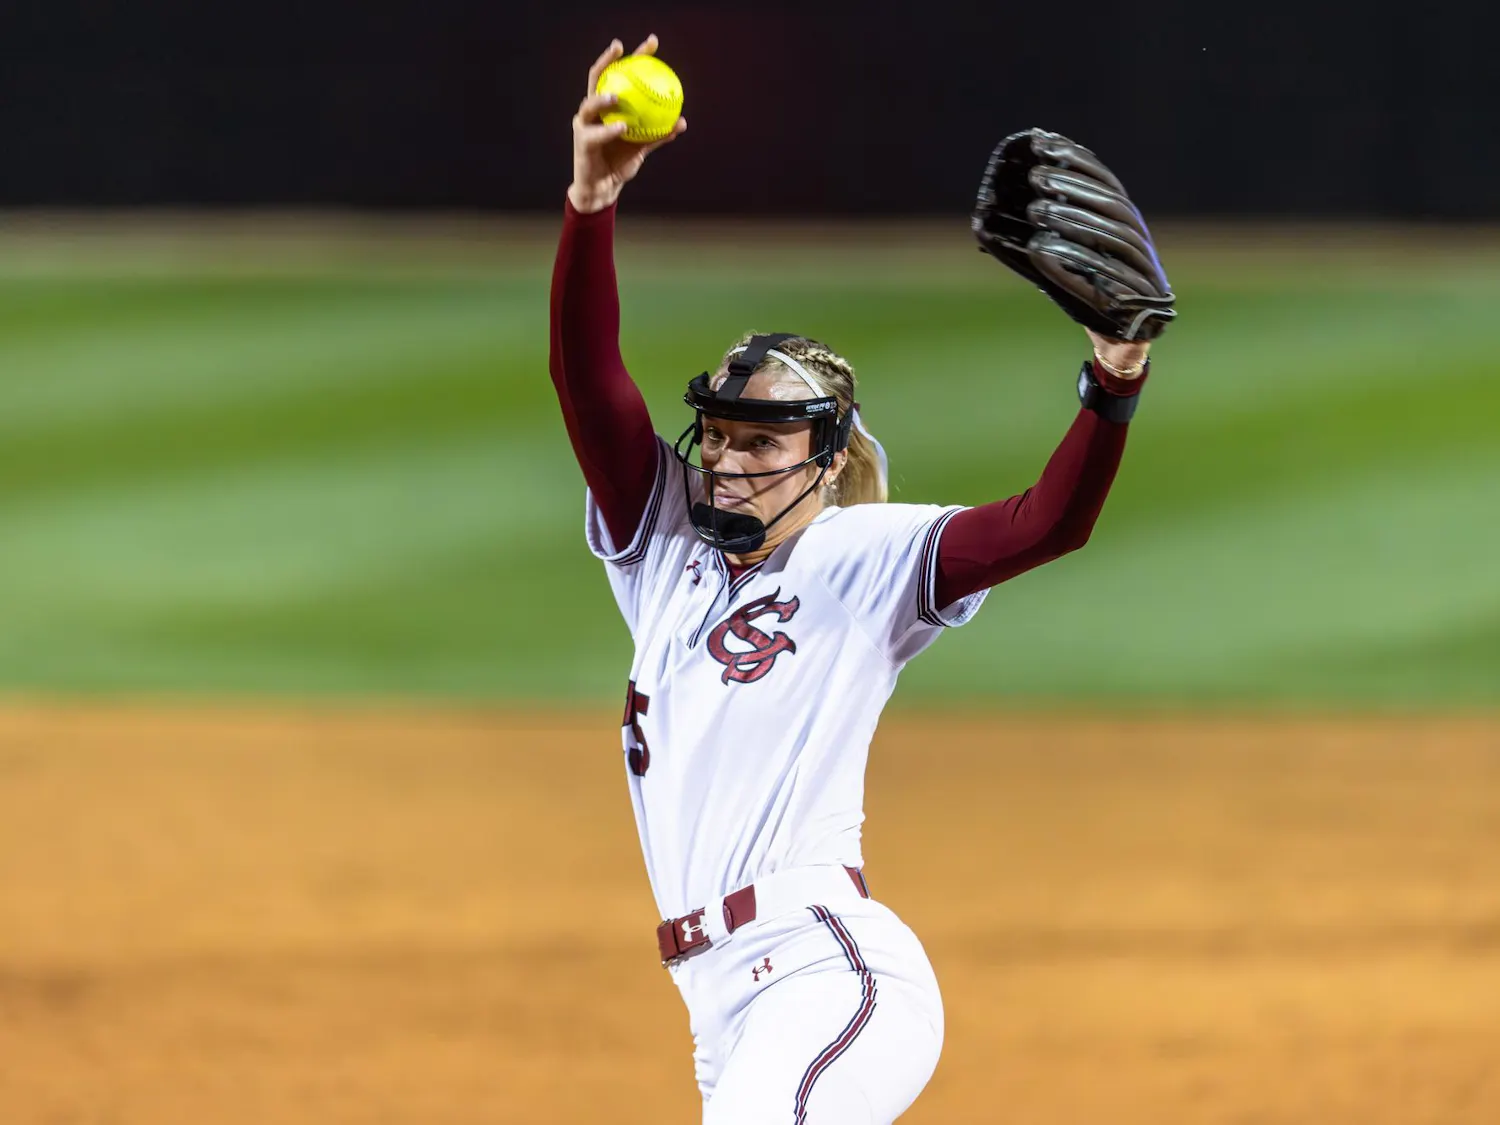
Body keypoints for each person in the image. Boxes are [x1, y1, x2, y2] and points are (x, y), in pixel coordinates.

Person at [549, 35, 1169, 1125]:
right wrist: (590, 201)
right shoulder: (663, 562)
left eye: (765, 441)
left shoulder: (861, 558)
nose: (733, 460)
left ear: (827, 460)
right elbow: (588, 382)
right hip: (720, 1006)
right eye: (723, 437)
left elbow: (1048, 522)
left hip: (827, 975)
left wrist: (1112, 381)